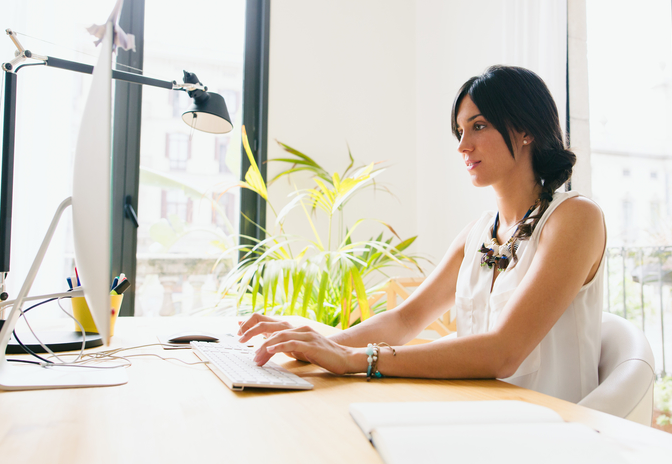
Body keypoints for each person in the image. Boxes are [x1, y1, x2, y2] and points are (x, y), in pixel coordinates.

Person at [237, 65, 607, 403]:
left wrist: (353, 359)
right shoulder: (477, 234)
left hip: (554, 435)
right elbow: (403, 320)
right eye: (460, 131)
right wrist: (312, 343)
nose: (463, 146)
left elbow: (503, 352)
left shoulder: (574, 219)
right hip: (482, 419)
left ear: (526, 130)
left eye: (479, 126)